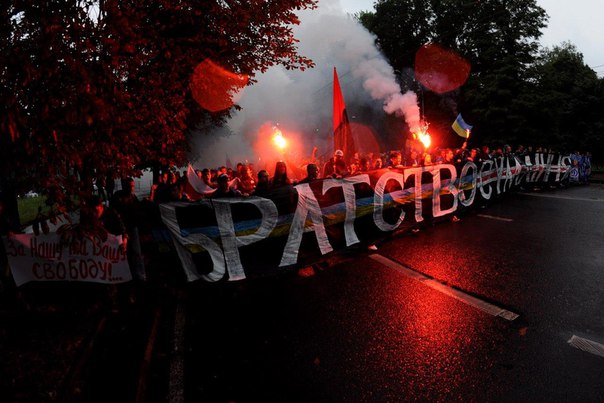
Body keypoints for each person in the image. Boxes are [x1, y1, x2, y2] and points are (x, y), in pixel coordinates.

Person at [110, 178, 146, 281]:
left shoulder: (132, 196)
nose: (132, 188)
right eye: (130, 186)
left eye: (133, 186)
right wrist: (123, 231)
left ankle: (139, 276)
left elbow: (138, 209)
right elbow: (116, 215)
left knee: (136, 252)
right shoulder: (118, 197)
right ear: (125, 186)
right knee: (122, 253)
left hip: (132, 227)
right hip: (121, 229)